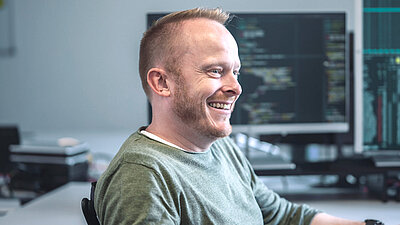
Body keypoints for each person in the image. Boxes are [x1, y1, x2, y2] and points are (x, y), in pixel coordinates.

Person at [94, 8, 379, 225]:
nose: (236, 87)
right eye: (215, 71)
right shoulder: (143, 175)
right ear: (162, 83)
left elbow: (282, 216)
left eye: (236, 72)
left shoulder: (222, 147)